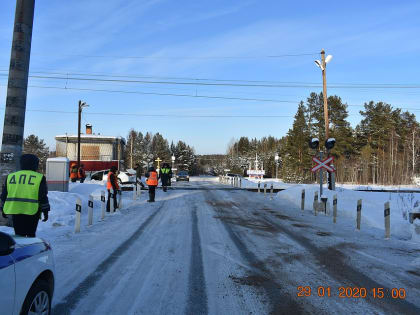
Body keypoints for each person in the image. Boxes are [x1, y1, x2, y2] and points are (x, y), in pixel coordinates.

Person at [0, 154, 50, 237]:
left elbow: (4, 195)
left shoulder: (11, 176)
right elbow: (42, 196)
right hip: (32, 211)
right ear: (35, 164)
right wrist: (45, 210)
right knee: (31, 234)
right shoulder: (39, 177)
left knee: (19, 235)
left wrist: (2, 208)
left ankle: (21, 249)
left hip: (16, 210)